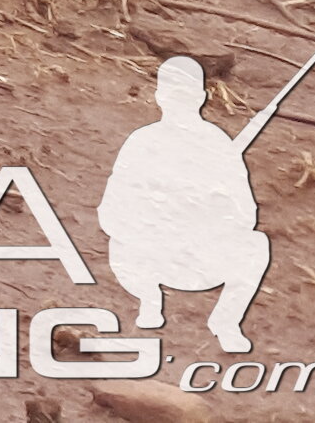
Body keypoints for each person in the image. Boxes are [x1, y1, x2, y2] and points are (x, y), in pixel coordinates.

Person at [98, 54, 275, 355]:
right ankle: (149, 300)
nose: (179, 102)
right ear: (159, 96)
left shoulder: (218, 145)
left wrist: (214, 208)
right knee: (120, 243)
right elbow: (110, 210)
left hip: (198, 256)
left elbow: (247, 215)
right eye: (172, 94)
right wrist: (154, 209)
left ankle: (225, 322)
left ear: (201, 97)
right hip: (148, 255)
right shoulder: (142, 141)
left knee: (256, 245)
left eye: (187, 94)